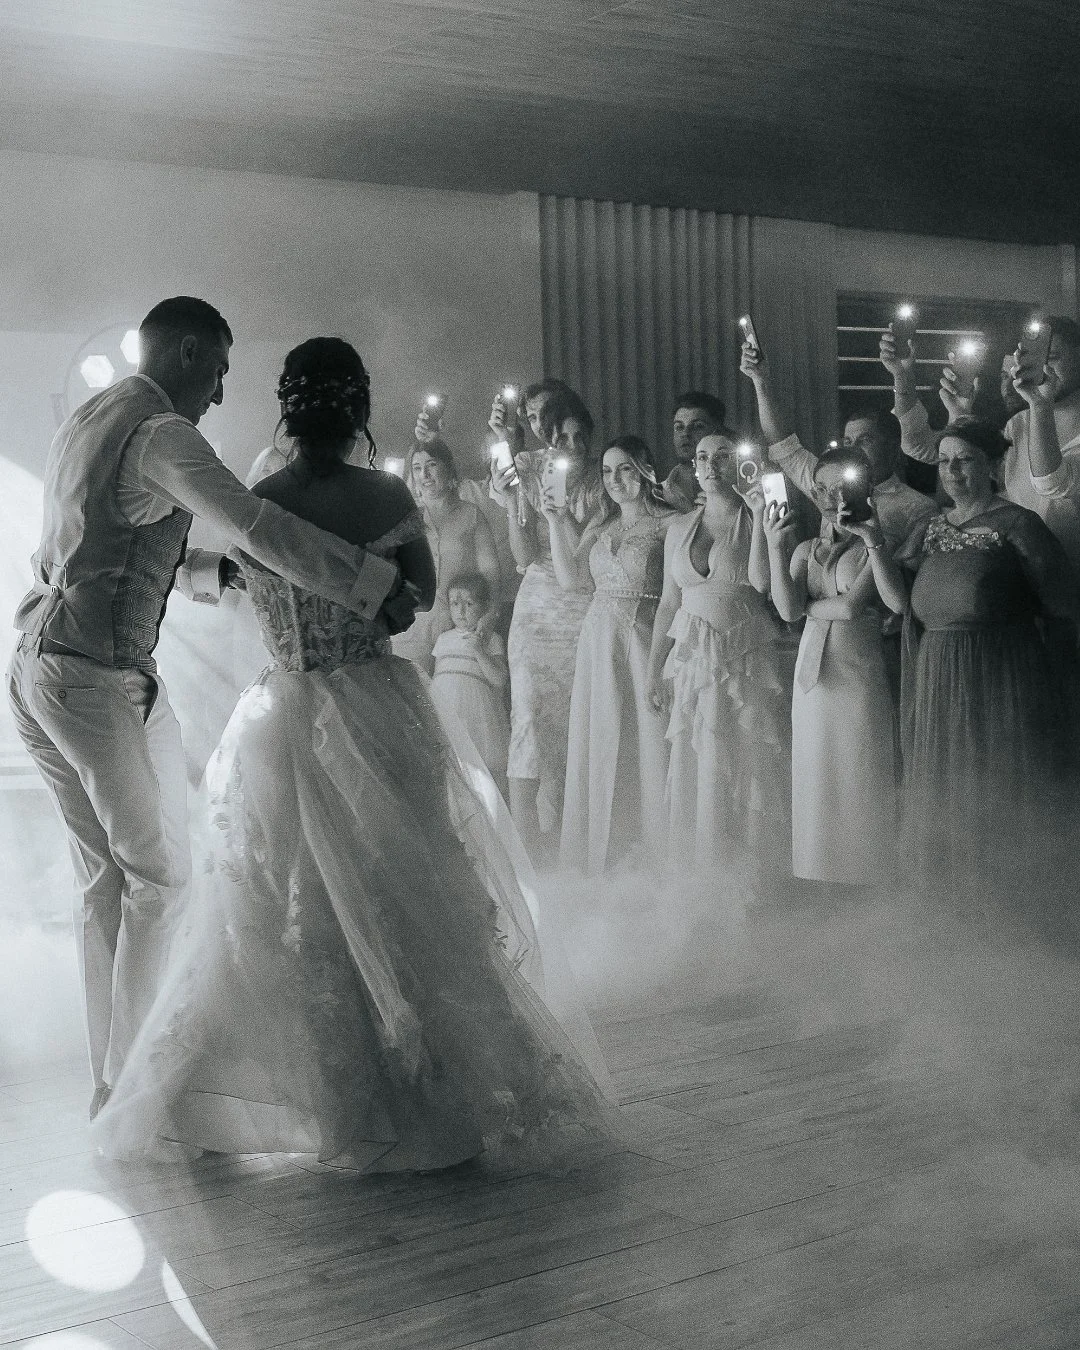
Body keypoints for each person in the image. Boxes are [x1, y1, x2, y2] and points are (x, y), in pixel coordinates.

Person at [90, 337, 617, 1170]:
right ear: (358, 410)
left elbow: (223, 579)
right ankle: (433, 1099)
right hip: (377, 705)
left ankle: (312, 1102)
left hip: (280, 713)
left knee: (277, 906)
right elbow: (414, 605)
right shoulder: (385, 493)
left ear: (289, 410)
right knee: (409, 893)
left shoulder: (258, 498)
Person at [6, 298, 409, 1120]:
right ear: (189, 353)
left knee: (108, 884)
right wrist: (372, 585)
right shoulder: (161, 432)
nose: (221, 393)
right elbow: (254, 523)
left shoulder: (96, 412)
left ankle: (115, 1080)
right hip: (92, 678)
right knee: (159, 876)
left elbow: (105, 539)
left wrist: (206, 575)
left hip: (46, 668)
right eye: (219, 370)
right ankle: (148, 1086)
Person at [903, 417, 1078, 924]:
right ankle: (947, 911)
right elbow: (899, 602)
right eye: (944, 461)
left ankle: (1008, 913)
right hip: (936, 676)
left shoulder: (1020, 524)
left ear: (993, 464)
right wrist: (868, 540)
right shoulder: (929, 526)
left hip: (1001, 677)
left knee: (993, 782)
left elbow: (1063, 605)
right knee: (943, 788)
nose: (952, 471)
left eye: (964, 460)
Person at [742, 339, 935, 710]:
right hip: (822, 641)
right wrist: (760, 381)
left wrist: (814, 605)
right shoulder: (828, 489)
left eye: (865, 440)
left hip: (883, 642)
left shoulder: (917, 508)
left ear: (894, 448)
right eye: (847, 440)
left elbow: (904, 594)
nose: (854, 448)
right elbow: (783, 445)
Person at [763, 448, 907, 890]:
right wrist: (773, 543)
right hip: (813, 681)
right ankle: (819, 876)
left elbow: (860, 606)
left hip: (857, 672)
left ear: (861, 485)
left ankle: (870, 875)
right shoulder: (805, 547)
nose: (830, 496)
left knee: (860, 767)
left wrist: (811, 605)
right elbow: (787, 611)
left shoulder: (875, 542)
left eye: (840, 485)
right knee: (815, 772)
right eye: (821, 488)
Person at [645, 432, 788, 877]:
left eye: (722, 457)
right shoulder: (678, 528)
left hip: (743, 653)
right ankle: (699, 872)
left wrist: (762, 513)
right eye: (702, 458)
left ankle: (753, 875)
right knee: (695, 756)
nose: (709, 465)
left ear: (740, 465)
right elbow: (669, 602)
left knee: (745, 755)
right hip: (691, 659)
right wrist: (653, 670)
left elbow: (763, 586)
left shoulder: (762, 512)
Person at [490, 391, 601, 860]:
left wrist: (557, 517)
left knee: (578, 720)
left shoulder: (603, 477)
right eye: (562, 436)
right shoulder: (528, 467)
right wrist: (514, 499)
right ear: (547, 437)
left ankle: (573, 836)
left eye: (580, 436)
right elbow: (520, 555)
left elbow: (581, 564)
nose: (571, 445)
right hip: (537, 607)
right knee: (530, 719)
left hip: (583, 606)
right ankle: (526, 845)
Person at [561, 435, 677, 875]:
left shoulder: (671, 524)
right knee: (602, 734)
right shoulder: (601, 526)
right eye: (607, 471)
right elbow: (572, 580)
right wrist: (556, 520)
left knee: (646, 738)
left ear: (645, 469)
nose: (614, 480)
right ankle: (599, 857)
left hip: (645, 634)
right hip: (599, 637)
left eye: (624, 468)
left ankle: (655, 855)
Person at [883, 316, 1080, 574]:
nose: (1042, 369)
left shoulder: (1035, 412)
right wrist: (904, 376)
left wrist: (1039, 404)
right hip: (1019, 576)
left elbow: (1052, 483)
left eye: (1051, 357)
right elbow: (921, 448)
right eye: (1035, 359)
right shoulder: (1020, 423)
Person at [392, 438, 501, 673]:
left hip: (459, 623)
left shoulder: (472, 515)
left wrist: (490, 614)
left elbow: (490, 572)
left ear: (448, 467)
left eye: (431, 465)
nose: (425, 474)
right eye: (417, 468)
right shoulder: (406, 518)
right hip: (413, 625)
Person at [430, 571, 510, 790]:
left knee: (479, 769)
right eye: (455, 604)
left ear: (484, 607)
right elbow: (438, 679)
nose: (461, 611)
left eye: (469, 603)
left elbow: (499, 679)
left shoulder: (491, 640)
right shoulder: (443, 639)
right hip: (447, 708)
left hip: (477, 711)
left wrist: (479, 651)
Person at [664, 391, 727, 513]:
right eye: (679, 427)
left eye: (698, 426)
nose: (685, 434)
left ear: (717, 431)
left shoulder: (738, 491)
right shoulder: (660, 494)